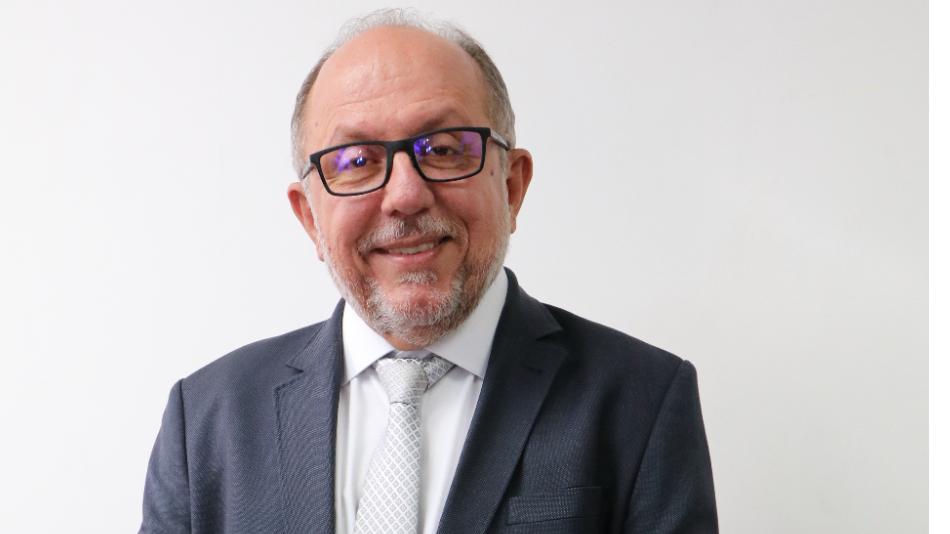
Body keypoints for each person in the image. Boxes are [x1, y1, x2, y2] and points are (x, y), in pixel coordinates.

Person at [140, 10, 718, 534]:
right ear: (309, 218)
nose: (405, 196)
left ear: (512, 186)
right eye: (356, 160)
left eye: (443, 149)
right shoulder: (206, 419)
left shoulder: (642, 399)